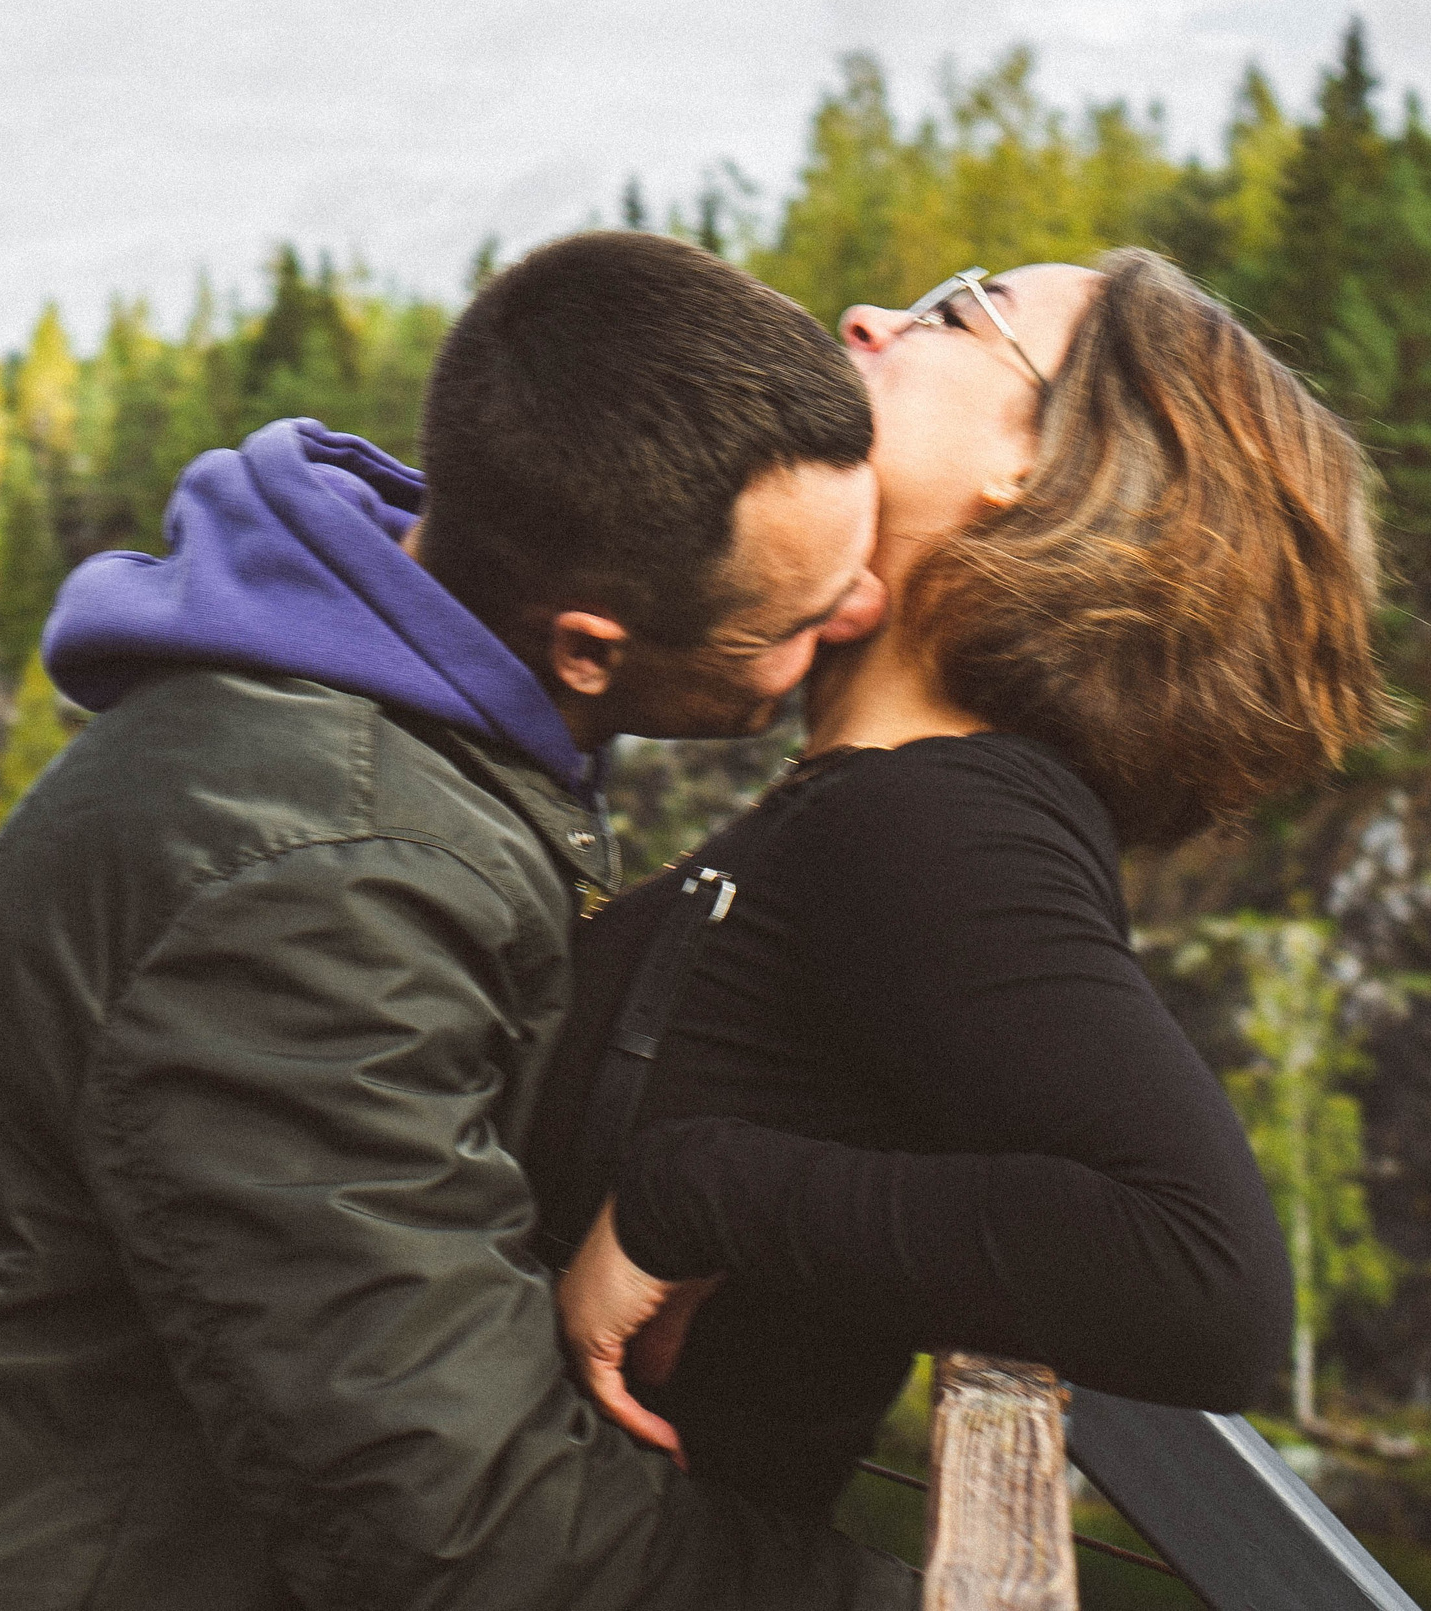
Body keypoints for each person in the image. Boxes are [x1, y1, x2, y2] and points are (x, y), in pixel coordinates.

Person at [0, 232, 918, 1609]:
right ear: (587, 648)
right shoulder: (312, 886)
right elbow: (459, 1523)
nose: (867, 609)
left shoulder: (377, 738)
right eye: (797, 619)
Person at [538, 251, 1379, 1519]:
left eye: (956, 313)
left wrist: (695, 1195)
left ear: (1046, 471)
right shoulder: (879, 805)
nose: (863, 316)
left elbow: (1199, 1280)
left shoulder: (935, 815)